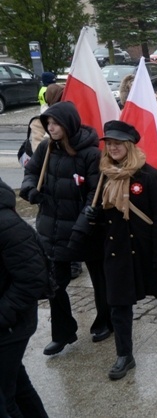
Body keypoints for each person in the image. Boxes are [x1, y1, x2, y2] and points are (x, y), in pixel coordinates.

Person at [94, 121, 157, 380]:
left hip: (146, 249)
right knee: (119, 305)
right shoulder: (104, 173)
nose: (112, 148)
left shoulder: (149, 176)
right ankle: (125, 355)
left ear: (129, 145)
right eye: (109, 143)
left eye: (117, 143)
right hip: (117, 252)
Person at [20, 101, 112, 355]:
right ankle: (62, 332)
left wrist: (84, 224)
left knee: (100, 280)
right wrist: (30, 190)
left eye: (55, 123)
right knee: (54, 285)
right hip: (53, 229)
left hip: (86, 232)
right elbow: (31, 172)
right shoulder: (46, 147)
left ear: (68, 124)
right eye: (48, 123)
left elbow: (96, 192)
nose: (51, 128)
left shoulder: (91, 154)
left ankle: (106, 321)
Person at [0, 176, 49, 417]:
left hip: (11, 325)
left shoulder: (7, 223)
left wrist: (2, 314)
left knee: (5, 400)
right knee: (18, 386)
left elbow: (32, 277)